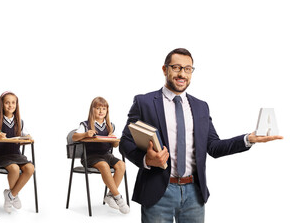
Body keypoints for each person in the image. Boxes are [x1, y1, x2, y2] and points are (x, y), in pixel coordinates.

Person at [119, 48, 283, 223]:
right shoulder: (144, 102)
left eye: (188, 69)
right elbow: (125, 143)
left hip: (194, 193)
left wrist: (248, 139)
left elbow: (213, 146)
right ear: (164, 69)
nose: (182, 73)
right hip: (158, 192)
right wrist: (147, 160)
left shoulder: (200, 107)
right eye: (176, 67)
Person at [72, 96, 130, 214]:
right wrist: (85, 134)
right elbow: (74, 137)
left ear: (107, 111)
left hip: (106, 155)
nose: (101, 111)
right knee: (104, 165)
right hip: (90, 156)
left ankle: (109, 195)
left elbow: (114, 145)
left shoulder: (110, 126)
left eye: (103, 109)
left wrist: (114, 140)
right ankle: (118, 197)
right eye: (98, 108)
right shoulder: (85, 124)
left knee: (121, 165)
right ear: (92, 109)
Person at [0, 91, 35, 213]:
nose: (11, 105)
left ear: (17, 104)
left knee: (30, 168)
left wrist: (29, 137)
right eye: (7, 103)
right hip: (1, 156)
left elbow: (27, 135)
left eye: (13, 103)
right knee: (14, 169)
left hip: (16, 155)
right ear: (2, 105)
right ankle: (13, 195)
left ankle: (10, 195)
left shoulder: (19, 122)